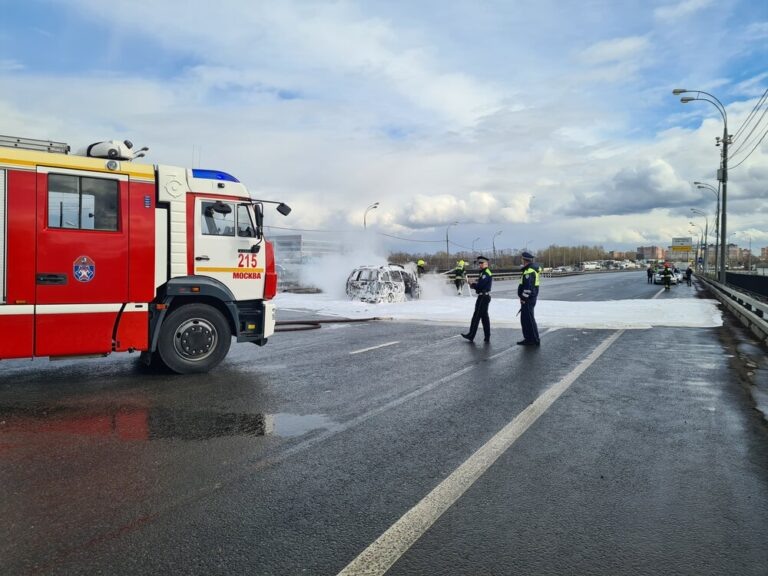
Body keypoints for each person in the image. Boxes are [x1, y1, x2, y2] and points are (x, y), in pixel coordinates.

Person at [461, 256, 492, 343]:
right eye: (479, 263)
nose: (480, 265)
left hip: (483, 297)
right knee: (484, 318)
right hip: (483, 296)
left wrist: (472, 284)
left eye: (482, 263)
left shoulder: (486, 273)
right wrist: (473, 283)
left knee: (476, 316)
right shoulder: (483, 272)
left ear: (486, 263)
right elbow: (479, 284)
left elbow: (480, 286)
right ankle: (487, 336)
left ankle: (471, 335)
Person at [517, 251, 540, 346]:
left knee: (529, 320)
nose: (522, 261)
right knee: (525, 319)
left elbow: (528, 288)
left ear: (524, 260)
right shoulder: (530, 270)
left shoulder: (529, 271)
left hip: (528, 300)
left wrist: (523, 298)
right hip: (529, 299)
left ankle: (534, 339)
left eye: (522, 259)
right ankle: (528, 338)